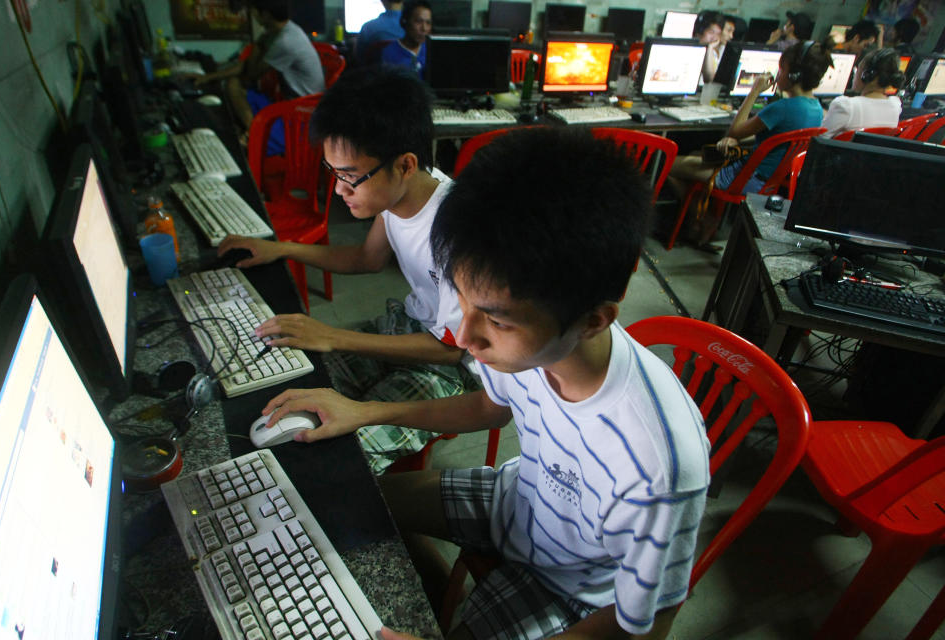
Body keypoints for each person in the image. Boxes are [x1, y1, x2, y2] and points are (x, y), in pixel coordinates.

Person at [256, 127, 711, 640]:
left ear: (594, 320)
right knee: (351, 500)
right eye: (462, 298)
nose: (465, 335)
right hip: (517, 500)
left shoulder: (658, 463)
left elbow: (643, 627)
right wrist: (366, 410)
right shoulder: (525, 337)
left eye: (496, 319)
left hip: (572, 586)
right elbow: (489, 408)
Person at [217, 66, 476, 474]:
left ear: (405, 165)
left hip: (454, 371)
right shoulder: (398, 199)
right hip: (409, 327)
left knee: (335, 458)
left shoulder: (457, 231)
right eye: (334, 173)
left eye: (352, 177)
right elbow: (365, 259)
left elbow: (452, 349)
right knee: (289, 390)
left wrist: (335, 337)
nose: (339, 190)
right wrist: (283, 248)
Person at [668, 40, 832, 242]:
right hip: (771, 182)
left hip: (746, 179)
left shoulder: (782, 108)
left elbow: (735, 130)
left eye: (781, 69)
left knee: (668, 165)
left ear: (793, 75)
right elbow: (777, 139)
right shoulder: (815, 109)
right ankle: (705, 217)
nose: (777, 74)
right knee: (696, 156)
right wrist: (736, 140)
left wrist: (754, 91)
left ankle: (704, 218)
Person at [191, 0, 323, 136]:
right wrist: (208, 77)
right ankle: (250, 131)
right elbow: (246, 65)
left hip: (301, 113)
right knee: (233, 85)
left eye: (253, 11)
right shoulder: (284, 31)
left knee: (234, 85)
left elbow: (251, 75)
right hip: (292, 103)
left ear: (265, 15)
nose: (252, 15)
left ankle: (254, 135)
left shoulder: (285, 41)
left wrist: (259, 44)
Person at [822, 48, 904, 138]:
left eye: (858, 69)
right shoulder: (895, 106)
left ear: (866, 75)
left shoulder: (846, 106)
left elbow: (819, 138)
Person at [380, 0, 432, 78]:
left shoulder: (431, 50)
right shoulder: (389, 53)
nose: (424, 28)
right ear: (405, 22)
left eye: (428, 23)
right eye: (418, 22)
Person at [357, 0, 405, 64]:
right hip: (409, 72)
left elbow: (359, 57)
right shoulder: (412, 26)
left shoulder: (368, 27)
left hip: (376, 72)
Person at [695, 11, 723, 83]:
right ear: (699, 32)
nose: (715, 38)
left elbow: (710, 80)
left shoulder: (712, 52)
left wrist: (710, 49)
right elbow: (708, 79)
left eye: (718, 34)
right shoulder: (691, 51)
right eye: (711, 33)